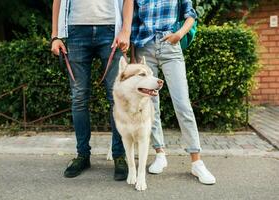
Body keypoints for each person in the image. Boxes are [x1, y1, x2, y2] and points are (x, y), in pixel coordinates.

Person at [131, 0, 216, 184]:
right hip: (144, 49)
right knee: (150, 105)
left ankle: (197, 162)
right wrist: (133, 58)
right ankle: (160, 153)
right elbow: (133, 24)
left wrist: (178, 34)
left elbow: (191, 15)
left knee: (182, 104)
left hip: (170, 46)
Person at [51, 0, 133, 181]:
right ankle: (82, 155)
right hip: (75, 30)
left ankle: (119, 155)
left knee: (117, 98)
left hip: (111, 29)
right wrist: (55, 36)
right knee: (79, 98)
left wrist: (126, 30)